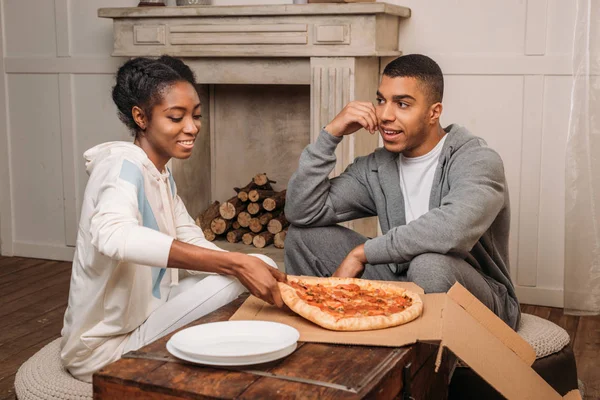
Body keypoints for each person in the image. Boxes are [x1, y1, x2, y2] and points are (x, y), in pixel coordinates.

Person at [60, 56, 285, 382]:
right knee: (244, 269)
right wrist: (236, 266)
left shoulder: (160, 173)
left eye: (196, 116)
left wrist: (245, 264)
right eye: (176, 117)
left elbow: (190, 239)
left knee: (261, 263)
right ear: (141, 117)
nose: (192, 127)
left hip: (151, 311)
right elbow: (112, 234)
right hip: (102, 350)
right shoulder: (120, 166)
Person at [284, 54, 520, 330]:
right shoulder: (377, 166)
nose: (385, 115)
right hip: (400, 282)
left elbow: (450, 230)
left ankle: (426, 369)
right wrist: (330, 134)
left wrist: (362, 252)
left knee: (429, 266)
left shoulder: (477, 159)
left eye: (402, 104)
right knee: (303, 236)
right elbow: (301, 210)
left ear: (434, 112)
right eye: (381, 100)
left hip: (478, 293)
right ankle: (326, 332)